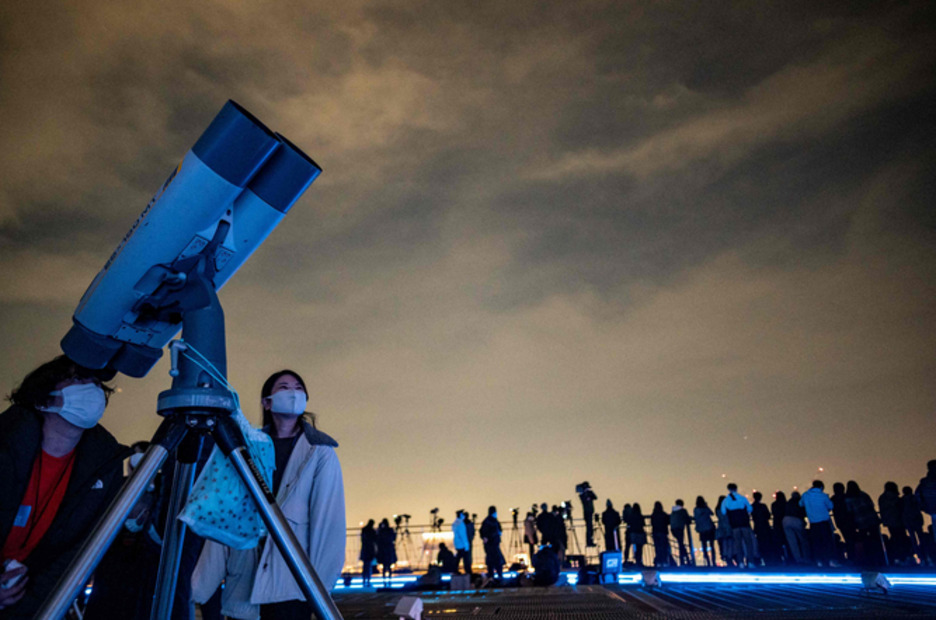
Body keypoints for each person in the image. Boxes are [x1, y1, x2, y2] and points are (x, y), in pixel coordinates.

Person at [192, 369, 345, 620]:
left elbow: (328, 523)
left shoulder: (319, 452)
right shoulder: (245, 447)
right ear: (267, 402)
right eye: (284, 387)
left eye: (298, 388)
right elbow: (228, 514)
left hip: (292, 583)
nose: (293, 393)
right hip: (244, 580)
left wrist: (320, 589)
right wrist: (199, 587)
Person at [0, 356, 128, 619]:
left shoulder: (102, 467)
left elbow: (73, 555)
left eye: (96, 384)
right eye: (79, 379)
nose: (92, 390)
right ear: (44, 396)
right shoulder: (6, 445)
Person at [845, 480, 882, 567]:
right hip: (872, 519)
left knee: (864, 541)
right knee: (876, 540)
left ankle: (867, 559)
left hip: (860, 522)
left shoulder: (848, 498)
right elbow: (871, 505)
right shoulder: (864, 494)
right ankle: (878, 559)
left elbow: (850, 511)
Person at [800, 481, 835, 567]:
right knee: (827, 542)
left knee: (816, 543)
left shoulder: (805, 495)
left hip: (813, 523)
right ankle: (830, 561)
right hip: (824, 522)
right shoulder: (823, 496)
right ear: (821, 487)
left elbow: (800, 504)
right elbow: (831, 506)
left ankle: (819, 561)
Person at [720, 484, 755, 568]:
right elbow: (750, 509)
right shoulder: (743, 498)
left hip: (734, 525)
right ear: (736, 488)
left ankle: (740, 562)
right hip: (745, 523)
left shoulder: (725, 500)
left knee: (737, 544)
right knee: (748, 543)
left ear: (728, 489)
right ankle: (750, 562)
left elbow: (723, 512)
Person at [879, 481, 909, 565]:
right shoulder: (894, 497)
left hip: (889, 521)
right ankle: (903, 557)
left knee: (895, 538)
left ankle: (896, 557)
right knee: (901, 538)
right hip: (897, 520)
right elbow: (899, 506)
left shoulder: (882, 498)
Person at [831, 482, 854, 563]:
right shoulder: (846, 497)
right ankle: (853, 557)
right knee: (851, 539)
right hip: (850, 521)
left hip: (840, 522)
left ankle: (849, 557)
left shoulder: (833, 499)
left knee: (847, 539)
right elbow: (851, 509)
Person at [784, 491, 810, 564]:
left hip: (786, 520)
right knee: (803, 540)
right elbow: (803, 512)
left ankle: (797, 559)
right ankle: (806, 558)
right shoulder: (800, 502)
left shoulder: (788, 502)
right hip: (797, 520)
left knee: (792, 542)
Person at [902, 486, 926, 565]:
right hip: (916, 521)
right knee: (921, 538)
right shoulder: (914, 499)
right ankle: (924, 556)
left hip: (908, 522)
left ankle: (919, 556)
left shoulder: (902, 501)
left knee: (913, 540)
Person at [480, 506, 505, 581]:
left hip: (494, 543)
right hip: (491, 544)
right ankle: (496, 575)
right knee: (495, 560)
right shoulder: (489, 521)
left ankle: (494, 575)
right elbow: (484, 532)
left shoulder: (492, 521)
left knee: (494, 560)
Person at [694, 496, 716, 567]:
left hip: (702, 530)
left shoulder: (696, 510)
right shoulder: (705, 509)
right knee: (712, 546)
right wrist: (706, 506)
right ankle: (713, 561)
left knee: (704, 546)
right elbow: (712, 513)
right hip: (709, 528)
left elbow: (696, 518)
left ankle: (707, 562)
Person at [670, 499, 691, 566]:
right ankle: (685, 560)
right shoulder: (683, 511)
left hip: (673, 529)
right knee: (681, 544)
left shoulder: (673, 511)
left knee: (681, 544)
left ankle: (684, 559)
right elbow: (688, 520)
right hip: (679, 529)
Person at [771, 491, 790, 564]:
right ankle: (789, 557)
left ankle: (779, 557)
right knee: (787, 541)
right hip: (785, 523)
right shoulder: (786, 504)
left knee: (778, 542)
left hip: (777, 524)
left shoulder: (774, 504)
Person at [650, 502, 671, 567]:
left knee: (657, 548)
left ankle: (658, 561)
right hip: (663, 532)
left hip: (655, 532)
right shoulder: (664, 514)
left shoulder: (653, 514)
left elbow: (652, 523)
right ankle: (664, 561)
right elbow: (668, 522)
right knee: (664, 547)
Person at [714, 496, 733, 566]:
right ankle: (730, 557)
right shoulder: (727, 509)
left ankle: (725, 557)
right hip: (728, 528)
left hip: (721, 529)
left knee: (723, 544)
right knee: (730, 543)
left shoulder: (717, 509)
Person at [376, 518, 397, 582]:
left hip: (383, 549)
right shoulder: (390, 530)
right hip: (389, 549)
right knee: (389, 565)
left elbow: (378, 538)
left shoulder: (382, 531)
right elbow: (394, 538)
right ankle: (389, 578)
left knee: (385, 566)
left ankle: (384, 579)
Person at [578, 482, 598, 547]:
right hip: (587, 513)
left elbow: (595, 497)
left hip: (590, 512)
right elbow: (585, 500)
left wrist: (590, 493)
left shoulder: (589, 494)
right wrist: (587, 493)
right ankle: (589, 541)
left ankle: (590, 540)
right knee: (589, 528)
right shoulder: (583, 495)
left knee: (590, 527)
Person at [360, 520, 377, 587]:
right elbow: (375, 539)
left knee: (365, 566)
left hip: (365, 549)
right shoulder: (372, 531)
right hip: (370, 550)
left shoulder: (364, 530)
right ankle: (368, 580)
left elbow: (362, 539)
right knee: (369, 566)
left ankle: (364, 579)